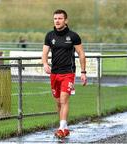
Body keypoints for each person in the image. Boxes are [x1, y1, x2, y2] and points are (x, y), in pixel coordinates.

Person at [42, 9, 87, 138]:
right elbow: (44, 53)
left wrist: (83, 72)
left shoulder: (73, 36)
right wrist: (45, 64)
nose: (57, 21)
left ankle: (61, 128)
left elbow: (81, 54)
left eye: (60, 18)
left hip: (68, 73)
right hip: (54, 74)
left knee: (64, 100)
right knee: (58, 102)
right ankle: (64, 127)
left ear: (65, 20)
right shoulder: (49, 36)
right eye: (55, 18)